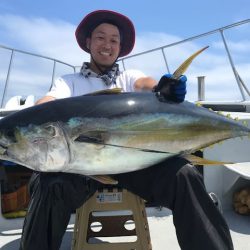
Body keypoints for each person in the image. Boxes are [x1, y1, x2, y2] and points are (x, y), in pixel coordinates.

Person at [19, 10, 234, 250]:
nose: (107, 45)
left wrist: (164, 88)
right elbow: (48, 103)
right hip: (80, 169)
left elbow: (146, 86)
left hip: (134, 164)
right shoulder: (69, 82)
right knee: (49, 184)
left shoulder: (130, 77)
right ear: (88, 42)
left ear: (120, 48)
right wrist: (36, 114)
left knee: (185, 174)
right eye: (100, 37)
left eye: (114, 40)